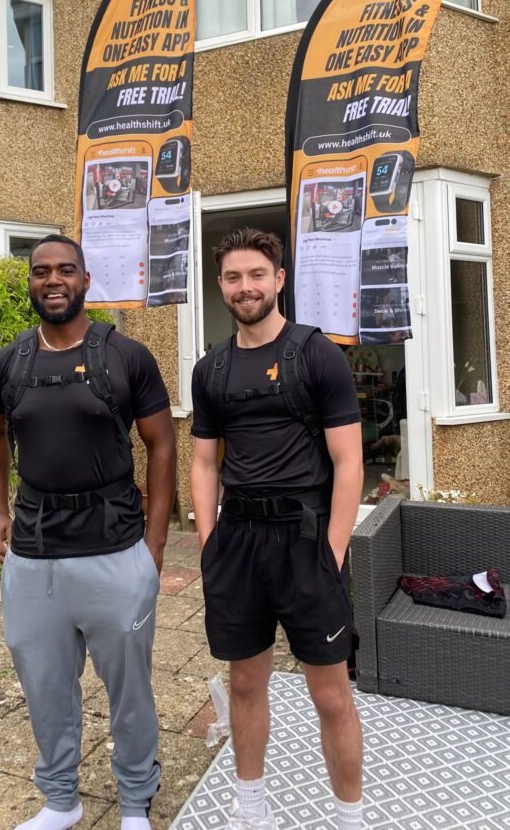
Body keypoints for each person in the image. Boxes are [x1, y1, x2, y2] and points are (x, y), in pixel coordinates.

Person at [0, 234, 176, 830]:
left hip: (114, 550)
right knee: (45, 689)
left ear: (86, 280)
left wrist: (155, 545)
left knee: (129, 691)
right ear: (30, 282)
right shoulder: (7, 363)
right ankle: (61, 801)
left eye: (66, 270)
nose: (53, 280)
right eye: (41, 272)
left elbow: (162, 444)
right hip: (33, 558)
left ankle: (135, 801)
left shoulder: (126, 357)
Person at [190, 228, 364, 830]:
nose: (246, 287)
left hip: (306, 540)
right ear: (221, 285)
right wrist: (210, 545)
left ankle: (349, 818)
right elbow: (204, 462)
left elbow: (349, 462)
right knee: (244, 682)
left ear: (279, 279)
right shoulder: (210, 369)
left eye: (257, 275)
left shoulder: (317, 355)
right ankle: (251, 809)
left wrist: (333, 551)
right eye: (233, 277)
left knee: (331, 694)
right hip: (238, 542)